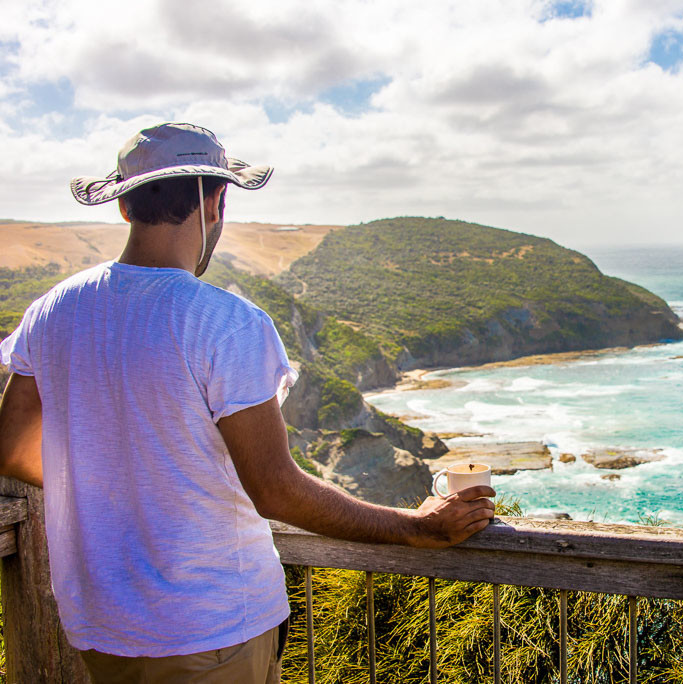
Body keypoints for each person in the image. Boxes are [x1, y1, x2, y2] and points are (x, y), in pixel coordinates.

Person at [0, 122, 495, 683]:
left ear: (125, 207)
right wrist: (417, 528)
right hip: (210, 628)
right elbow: (275, 489)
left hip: (101, 624)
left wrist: (118, 482)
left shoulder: (54, 309)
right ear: (216, 201)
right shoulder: (224, 322)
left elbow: (12, 449)